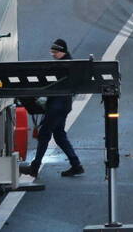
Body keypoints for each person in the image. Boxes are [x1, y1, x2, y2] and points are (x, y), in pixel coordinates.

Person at [18, 38, 85, 178]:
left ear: (62, 51)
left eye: (55, 52)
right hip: (62, 106)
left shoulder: (62, 65)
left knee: (44, 135)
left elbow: (50, 83)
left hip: (57, 106)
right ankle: (76, 165)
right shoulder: (68, 63)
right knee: (59, 136)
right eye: (52, 52)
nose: (53, 55)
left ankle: (35, 167)